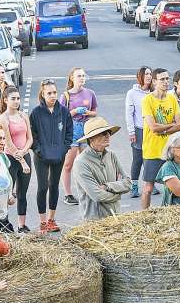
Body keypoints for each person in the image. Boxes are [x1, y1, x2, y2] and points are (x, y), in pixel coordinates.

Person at [30, 79, 72, 233]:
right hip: (41, 156)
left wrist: (64, 149)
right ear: (43, 94)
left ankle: (51, 220)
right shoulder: (36, 113)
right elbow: (32, 135)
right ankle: (42, 222)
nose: (53, 96)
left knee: (54, 186)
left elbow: (69, 132)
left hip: (58, 155)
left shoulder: (64, 111)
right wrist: (38, 150)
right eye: (49, 93)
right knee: (43, 187)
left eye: (54, 92)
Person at [72, 117, 132, 220]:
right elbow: (97, 196)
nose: (108, 135)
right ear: (91, 138)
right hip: (95, 221)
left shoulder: (112, 155)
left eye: (108, 132)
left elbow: (128, 183)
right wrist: (118, 195)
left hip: (115, 217)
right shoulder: (81, 162)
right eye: (103, 133)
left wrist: (107, 186)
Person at [141, 68, 180, 209]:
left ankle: (169, 212)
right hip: (152, 150)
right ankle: (144, 216)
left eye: (167, 79)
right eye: (162, 79)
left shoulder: (172, 98)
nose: (166, 82)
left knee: (173, 187)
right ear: (154, 81)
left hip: (170, 150)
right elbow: (153, 127)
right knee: (148, 188)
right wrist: (171, 125)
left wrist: (163, 127)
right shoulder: (148, 100)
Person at [60, 68, 98, 206]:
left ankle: (86, 191)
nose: (82, 78)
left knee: (86, 162)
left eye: (83, 76)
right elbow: (61, 116)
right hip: (72, 130)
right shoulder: (65, 96)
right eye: (79, 76)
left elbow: (95, 113)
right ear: (72, 78)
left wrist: (87, 112)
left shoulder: (90, 93)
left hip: (86, 129)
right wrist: (74, 111)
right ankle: (68, 194)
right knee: (68, 164)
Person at [0, 86, 33, 233]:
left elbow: (30, 138)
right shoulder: (3, 118)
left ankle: (21, 225)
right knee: (7, 193)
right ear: (6, 100)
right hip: (10, 159)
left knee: (22, 193)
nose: (16, 101)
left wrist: (24, 152)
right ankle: (3, 224)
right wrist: (22, 160)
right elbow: (9, 143)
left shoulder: (24, 116)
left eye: (18, 98)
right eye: (13, 98)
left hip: (25, 155)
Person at [125, 66, 154, 199]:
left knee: (151, 158)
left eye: (150, 74)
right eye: (146, 74)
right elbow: (129, 114)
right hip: (139, 129)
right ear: (140, 76)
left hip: (153, 130)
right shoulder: (132, 93)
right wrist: (131, 131)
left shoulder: (154, 92)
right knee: (138, 159)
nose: (149, 76)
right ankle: (134, 185)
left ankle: (150, 184)